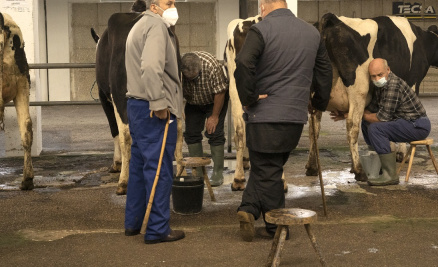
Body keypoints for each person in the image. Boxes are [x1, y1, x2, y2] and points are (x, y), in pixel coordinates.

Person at [234, 0, 332, 242]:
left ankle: (274, 227)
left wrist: (249, 97)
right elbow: (325, 72)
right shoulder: (312, 33)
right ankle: (248, 209)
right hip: (294, 118)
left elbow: (243, 63)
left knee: (267, 170)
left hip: (264, 116)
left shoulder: (261, 30)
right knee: (268, 167)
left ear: (264, 6)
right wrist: (318, 103)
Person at [124, 0, 185, 244]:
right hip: (153, 110)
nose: (173, 6)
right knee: (160, 170)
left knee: (139, 168)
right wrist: (159, 103)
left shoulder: (139, 24)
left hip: (136, 106)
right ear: (154, 6)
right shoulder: (157, 27)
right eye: (168, 2)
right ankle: (158, 229)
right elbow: (150, 67)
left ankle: (133, 223)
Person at [331, 58, 431, 186]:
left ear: (388, 70)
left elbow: (381, 118)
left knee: (376, 128)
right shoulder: (380, 86)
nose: (377, 79)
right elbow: (370, 110)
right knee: (367, 124)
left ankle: (390, 175)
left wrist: (355, 115)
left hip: (417, 125)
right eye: (373, 76)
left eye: (380, 75)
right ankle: (377, 165)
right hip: (403, 122)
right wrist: (348, 114)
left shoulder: (393, 85)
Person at [181, 51, 229, 186]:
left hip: (215, 99)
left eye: (195, 78)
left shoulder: (212, 66)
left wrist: (214, 116)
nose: (192, 81)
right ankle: (199, 172)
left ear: (200, 69)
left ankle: (218, 172)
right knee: (191, 134)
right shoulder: (179, 68)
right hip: (193, 102)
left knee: (215, 132)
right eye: (189, 79)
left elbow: (220, 92)